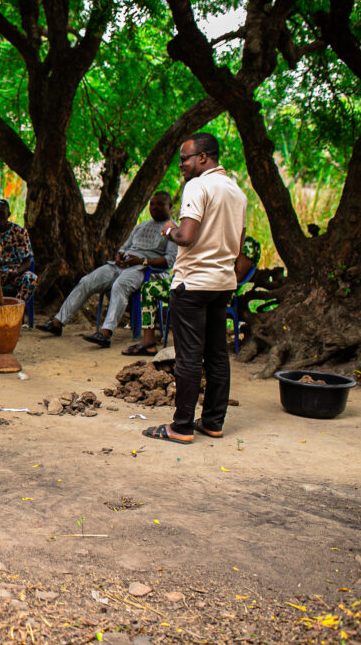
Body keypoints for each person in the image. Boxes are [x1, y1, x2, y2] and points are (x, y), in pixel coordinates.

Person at [143, 133, 247, 445]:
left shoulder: (198, 186)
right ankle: (213, 422)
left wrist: (169, 229)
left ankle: (182, 427)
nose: (182, 166)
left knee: (188, 356)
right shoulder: (237, 192)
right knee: (216, 354)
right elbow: (238, 245)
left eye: (185, 159)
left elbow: (186, 237)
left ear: (203, 157)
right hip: (222, 283)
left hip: (192, 283)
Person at [36, 192, 177, 347]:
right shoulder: (141, 226)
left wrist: (141, 261)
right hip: (122, 265)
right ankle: (57, 323)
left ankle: (105, 333)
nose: (155, 207)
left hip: (145, 270)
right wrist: (120, 255)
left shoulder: (172, 229)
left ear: (169, 207)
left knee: (120, 286)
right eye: (152, 204)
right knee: (87, 281)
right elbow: (124, 247)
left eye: (159, 204)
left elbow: (168, 261)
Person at [123, 236, 261, 356]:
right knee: (149, 288)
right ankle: (149, 342)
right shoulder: (217, 237)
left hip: (215, 289)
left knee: (188, 298)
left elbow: (237, 276)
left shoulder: (247, 244)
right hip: (191, 283)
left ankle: (193, 348)